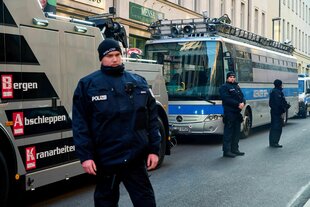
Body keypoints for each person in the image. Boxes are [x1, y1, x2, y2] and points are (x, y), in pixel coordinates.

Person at [72, 38, 161, 207]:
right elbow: (80, 124)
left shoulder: (138, 82)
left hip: (135, 158)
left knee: (146, 202)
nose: (115, 59)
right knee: (106, 203)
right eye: (110, 55)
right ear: (101, 59)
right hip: (107, 160)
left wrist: (154, 150)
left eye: (118, 55)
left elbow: (151, 120)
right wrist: (85, 156)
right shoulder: (87, 85)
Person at [219, 71, 246, 158]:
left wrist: (243, 103)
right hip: (229, 112)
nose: (232, 78)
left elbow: (242, 96)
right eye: (230, 77)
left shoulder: (236, 86)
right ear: (227, 78)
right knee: (228, 133)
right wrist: (237, 104)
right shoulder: (224, 87)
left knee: (236, 132)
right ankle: (227, 151)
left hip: (237, 113)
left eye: (233, 77)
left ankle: (235, 149)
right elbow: (226, 99)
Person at [269, 79, 290, 148]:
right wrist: (284, 109)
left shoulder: (273, 91)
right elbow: (280, 103)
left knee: (273, 127)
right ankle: (275, 142)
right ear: (280, 85)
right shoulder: (277, 92)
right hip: (277, 112)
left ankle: (272, 142)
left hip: (274, 111)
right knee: (277, 127)